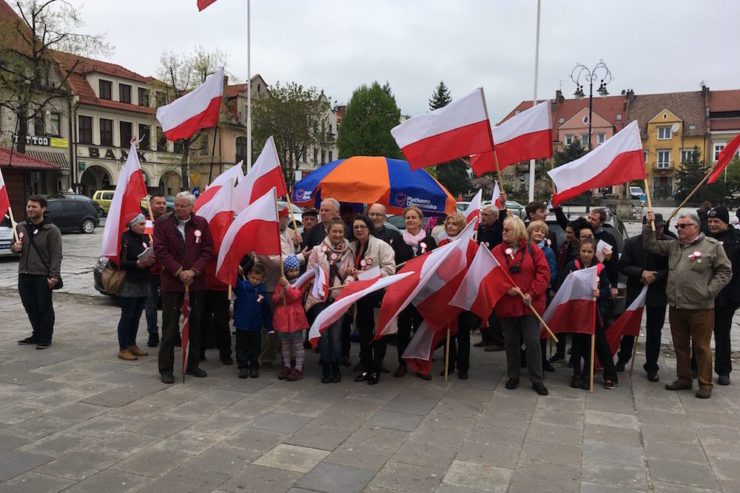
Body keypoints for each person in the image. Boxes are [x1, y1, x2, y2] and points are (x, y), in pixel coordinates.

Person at [643, 210, 732, 399]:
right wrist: (648, 224)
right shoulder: (674, 245)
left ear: (696, 227)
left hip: (701, 307)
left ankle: (705, 383)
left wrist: (709, 291)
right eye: (677, 226)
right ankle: (683, 378)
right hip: (677, 305)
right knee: (680, 346)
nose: (679, 229)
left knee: (701, 347)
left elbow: (725, 271)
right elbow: (651, 245)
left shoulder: (711, 246)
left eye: (683, 226)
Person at [153, 191, 214, 384]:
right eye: (176, 205)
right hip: (172, 284)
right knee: (170, 328)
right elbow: (160, 250)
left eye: (182, 206)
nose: (177, 209)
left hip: (195, 284)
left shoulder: (201, 224)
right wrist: (179, 271)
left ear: (191, 207)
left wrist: (194, 271)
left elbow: (207, 250)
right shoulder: (163, 223)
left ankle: (193, 363)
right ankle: (166, 368)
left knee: (195, 325)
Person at [491, 215, 549, 395]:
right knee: (511, 341)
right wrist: (505, 288)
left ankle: (536, 379)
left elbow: (543, 273)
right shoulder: (497, 251)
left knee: (532, 342)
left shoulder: (534, 250)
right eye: (503, 229)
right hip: (507, 304)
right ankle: (513, 375)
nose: (503, 232)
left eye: (507, 229)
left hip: (529, 304)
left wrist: (532, 293)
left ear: (517, 231)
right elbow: (491, 274)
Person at [616, 214, 670, 381]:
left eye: (660, 227)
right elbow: (623, 265)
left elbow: (673, 268)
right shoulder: (632, 242)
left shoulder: (669, 243)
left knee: (654, 330)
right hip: (636, 289)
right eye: (653, 227)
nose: (657, 231)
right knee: (629, 327)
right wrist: (640, 272)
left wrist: (657, 275)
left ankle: (651, 365)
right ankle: (623, 358)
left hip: (658, 291)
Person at [563, 238, 618, 389]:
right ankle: (576, 374)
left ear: (594, 253)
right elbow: (563, 285)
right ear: (578, 251)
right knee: (577, 343)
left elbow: (607, 289)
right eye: (583, 251)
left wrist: (600, 292)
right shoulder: (572, 266)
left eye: (589, 252)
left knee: (597, 343)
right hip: (577, 311)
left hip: (595, 312)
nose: (586, 254)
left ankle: (597, 374)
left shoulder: (600, 268)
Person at [305, 218, 355, 383]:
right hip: (320, 298)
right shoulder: (317, 250)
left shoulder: (348, 252)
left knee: (336, 334)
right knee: (324, 334)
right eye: (335, 231)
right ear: (328, 231)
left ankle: (335, 364)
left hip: (338, 298)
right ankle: (326, 365)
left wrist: (347, 282)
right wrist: (319, 285)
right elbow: (310, 272)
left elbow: (351, 274)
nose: (338, 234)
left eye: (341, 232)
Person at [349, 215, 396, 385]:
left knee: (379, 335)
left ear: (369, 228)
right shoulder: (352, 247)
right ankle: (366, 367)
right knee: (364, 334)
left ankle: (376, 369)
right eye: (356, 227)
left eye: (362, 226)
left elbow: (389, 270)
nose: (359, 230)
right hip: (361, 299)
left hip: (378, 297)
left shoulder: (382, 246)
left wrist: (364, 276)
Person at [13, 195, 62, 349]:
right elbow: (13, 248)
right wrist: (15, 248)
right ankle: (37, 333)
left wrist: (54, 276)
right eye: (28, 206)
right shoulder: (20, 227)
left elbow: (56, 255)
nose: (30, 209)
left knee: (44, 307)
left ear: (43, 209)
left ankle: (45, 337)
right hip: (24, 274)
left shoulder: (51, 230)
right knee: (30, 307)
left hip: (42, 275)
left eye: (34, 206)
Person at [394, 206, 437, 379]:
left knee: (421, 329)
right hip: (405, 291)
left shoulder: (429, 240)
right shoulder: (398, 240)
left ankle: (420, 365)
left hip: (423, 292)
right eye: (407, 218)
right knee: (403, 328)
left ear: (421, 220)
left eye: (414, 217)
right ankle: (402, 363)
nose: (410, 220)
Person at [257, 207, 300, 369]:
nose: (288, 220)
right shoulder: (265, 236)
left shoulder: (286, 233)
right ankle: (267, 355)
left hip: (287, 286)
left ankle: (287, 354)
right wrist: (300, 258)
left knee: (286, 322)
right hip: (270, 286)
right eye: (284, 217)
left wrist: (295, 246)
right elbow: (274, 261)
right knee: (271, 324)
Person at [438, 213, 478, 380]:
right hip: (446, 293)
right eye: (449, 224)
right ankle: (449, 363)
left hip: (464, 295)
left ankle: (463, 367)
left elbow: (476, 268)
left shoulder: (471, 245)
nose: (451, 227)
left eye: (455, 224)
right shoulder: (442, 244)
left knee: (462, 333)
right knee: (448, 332)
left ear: (462, 227)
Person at [704, 206, 740, 385]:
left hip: (727, 297)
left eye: (716, 221)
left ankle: (723, 370)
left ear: (726, 222)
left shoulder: (736, 241)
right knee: (701, 333)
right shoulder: (702, 238)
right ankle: (697, 366)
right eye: (710, 221)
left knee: (722, 333)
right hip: (703, 295)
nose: (712, 225)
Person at [116, 214, 155, 361]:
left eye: (144, 224)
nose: (144, 227)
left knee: (137, 315)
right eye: (141, 224)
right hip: (130, 282)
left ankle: (132, 343)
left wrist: (151, 258)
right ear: (132, 225)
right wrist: (137, 264)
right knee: (128, 315)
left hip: (143, 280)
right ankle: (123, 347)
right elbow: (119, 262)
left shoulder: (144, 238)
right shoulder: (124, 239)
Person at [527, 220, 557, 373]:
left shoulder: (548, 252)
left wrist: (539, 284)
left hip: (540, 293)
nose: (539, 234)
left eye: (542, 232)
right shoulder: (523, 249)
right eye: (536, 230)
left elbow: (552, 273)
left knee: (540, 327)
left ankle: (542, 360)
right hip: (525, 294)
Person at [273, 256, 309, 381]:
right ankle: (287, 366)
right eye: (291, 270)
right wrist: (279, 296)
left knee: (298, 344)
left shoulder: (301, 282)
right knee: (285, 344)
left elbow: (295, 296)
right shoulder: (281, 282)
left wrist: (287, 286)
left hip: (295, 315)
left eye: (296, 270)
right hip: (283, 316)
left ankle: (298, 367)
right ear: (286, 271)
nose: (293, 273)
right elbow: (274, 299)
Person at [233, 263, 272, 378]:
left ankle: (254, 366)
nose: (255, 281)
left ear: (262, 279)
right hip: (242, 324)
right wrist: (236, 272)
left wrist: (269, 326)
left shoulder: (262, 291)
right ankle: (242, 366)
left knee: (255, 347)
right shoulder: (242, 287)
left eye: (258, 279)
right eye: (253, 278)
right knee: (241, 347)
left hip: (255, 325)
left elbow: (266, 310)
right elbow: (234, 282)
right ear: (248, 275)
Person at [145, 194, 168, 347]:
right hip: (150, 272)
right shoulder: (145, 222)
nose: (161, 206)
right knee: (151, 305)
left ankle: (171, 333)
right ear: (150, 205)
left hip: (167, 271)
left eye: (164, 203)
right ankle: (153, 333)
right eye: (158, 203)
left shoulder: (170, 221)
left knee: (170, 305)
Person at [587, 208, 619, 299]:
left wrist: (614, 286)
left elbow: (614, 263)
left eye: (593, 219)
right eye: (589, 218)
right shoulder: (582, 233)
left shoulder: (609, 238)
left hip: (602, 282)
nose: (589, 221)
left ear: (601, 222)